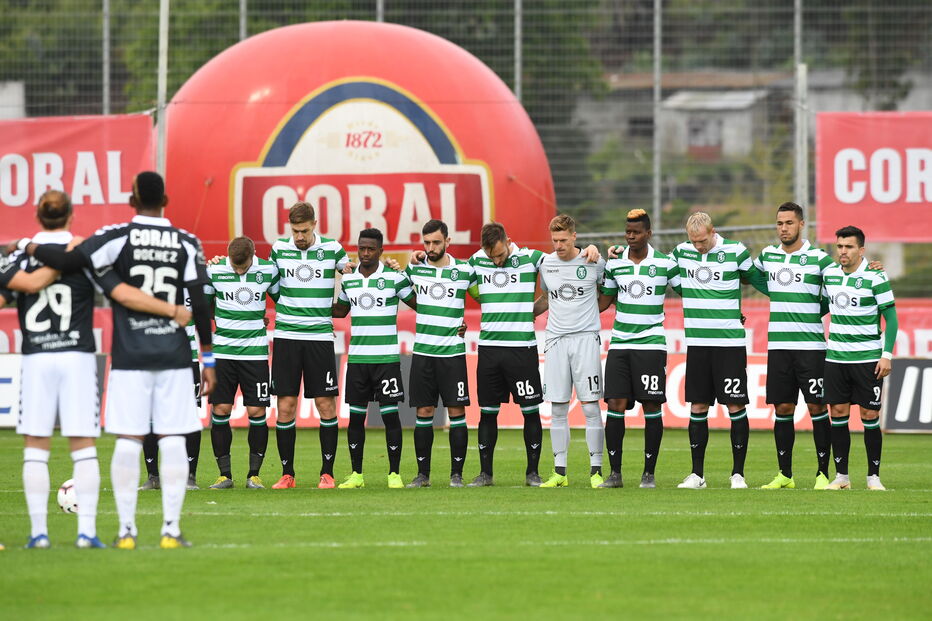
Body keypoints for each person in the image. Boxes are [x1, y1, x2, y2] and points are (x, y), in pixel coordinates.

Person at [23, 172, 215, 549]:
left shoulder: (116, 236)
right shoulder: (187, 242)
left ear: (132, 199)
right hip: (175, 353)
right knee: (173, 437)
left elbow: (68, 259)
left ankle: (126, 531)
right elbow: (201, 300)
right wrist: (207, 357)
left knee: (129, 439)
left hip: (129, 355)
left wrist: (29, 248)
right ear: (167, 200)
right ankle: (171, 530)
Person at [466, 222, 600, 487]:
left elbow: (565, 264)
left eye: (500, 255)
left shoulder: (532, 258)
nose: (496, 261)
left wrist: (590, 249)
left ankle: (533, 473)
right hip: (490, 349)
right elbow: (454, 277)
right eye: (491, 256)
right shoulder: (476, 261)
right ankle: (485, 474)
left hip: (522, 348)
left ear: (509, 240)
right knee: (487, 412)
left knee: (530, 411)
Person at [671, 212, 765, 489]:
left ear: (713, 231)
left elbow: (756, 280)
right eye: (693, 241)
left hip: (729, 345)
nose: (698, 246)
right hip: (698, 344)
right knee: (698, 405)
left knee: (735, 405)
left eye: (702, 240)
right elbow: (669, 277)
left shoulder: (736, 251)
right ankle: (697, 475)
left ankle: (738, 474)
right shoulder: (681, 252)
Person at [754, 203, 836, 490]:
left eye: (789, 223)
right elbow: (749, 275)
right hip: (778, 346)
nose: (783, 228)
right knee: (783, 407)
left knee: (816, 406)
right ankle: (785, 475)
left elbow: (839, 289)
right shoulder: (767, 256)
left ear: (801, 224)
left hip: (811, 347)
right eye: (779, 223)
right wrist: (775, 292)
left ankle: (823, 474)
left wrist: (813, 310)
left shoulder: (819, 259)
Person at [267, 202, 347, 489]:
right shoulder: (278, 249)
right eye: (295, 230)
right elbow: (270, 285)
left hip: (319, 338)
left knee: (325, 404)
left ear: (315, 224)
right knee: (285, 406)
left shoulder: (333, 248)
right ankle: (287, 474)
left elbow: (353, 274)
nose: (299, 236)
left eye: (304, 230)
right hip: (287, 337)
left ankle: (327, 473)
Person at [600, 209, 680, 488]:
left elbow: (690, 292)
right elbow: (602, 302)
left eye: (636, 232)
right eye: (627, 232)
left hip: (651, 344)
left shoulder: (665, 263)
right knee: (615, 404)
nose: (630, 236)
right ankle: (615, 473)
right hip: (620, 343)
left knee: (651, 405)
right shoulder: (614, 264)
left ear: (649, 233)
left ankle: (649, 473)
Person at [332, 228, 416, 489]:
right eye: (361, 248)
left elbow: (420, 305)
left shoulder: (393, 278)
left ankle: (394, 474)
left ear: (381, 251)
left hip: (387, 360)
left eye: (371, 249)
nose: (365, 253)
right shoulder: (348, 279)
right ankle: (357, 474)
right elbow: (340, 311)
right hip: (357, 361)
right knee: (355, 419)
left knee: (391, 416)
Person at [533, 215, 606, 488]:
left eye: (564, 240)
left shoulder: (593, 262)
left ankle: (596, 471)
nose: (559, 245)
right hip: (555, 341)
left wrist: (596, 248)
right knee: (558, 408)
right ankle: (560, 472)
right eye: (555, 240)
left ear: (575, 237)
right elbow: (545, 298)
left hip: (586, 339)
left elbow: (608, 291)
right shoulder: (546, 264)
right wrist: (525, 316)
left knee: (590, 406)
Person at [822, 226, 897, 491]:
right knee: (838, 413)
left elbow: (891, 318)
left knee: (869, 413)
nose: (843, 251)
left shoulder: (875, 276)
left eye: (849, 247)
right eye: (840, 246)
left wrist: (886, 355)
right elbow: (821, 305)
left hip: (867, 359)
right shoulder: (829, 274)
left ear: (861, 250)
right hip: (836, 359)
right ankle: (842, 477)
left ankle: (873, 477)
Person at [403, 220, 474, 488]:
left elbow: (482, 296)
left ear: (447, 241)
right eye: (426, 243)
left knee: (456, 411)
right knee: (424, 411)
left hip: (452, 354)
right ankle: (423, 475)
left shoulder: (465, 271)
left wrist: (464, 322)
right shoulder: (415, 268)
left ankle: (457, 475)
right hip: (423, 352)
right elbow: (397, 288)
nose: (431, 248)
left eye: (436, 242)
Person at [204, 236, 279, 490]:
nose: (238, 270)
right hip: (223, 354)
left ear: (253, 255)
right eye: (234, 266)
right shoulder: (214, 270)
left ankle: (254, 475)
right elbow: (203, 307)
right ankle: (224, 476)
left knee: (257, 412)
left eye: (243, 266)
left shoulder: (268, 269)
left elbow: (284, 299)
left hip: (255, 354)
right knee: (221, 410)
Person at [140, 290, 203, 492]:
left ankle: (190, 476)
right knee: (150, 417)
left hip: (188, 359)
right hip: (154, 358)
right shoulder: (151, 281)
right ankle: (153, 476)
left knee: (190, 416)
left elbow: (208, 308)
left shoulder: (193, 282)